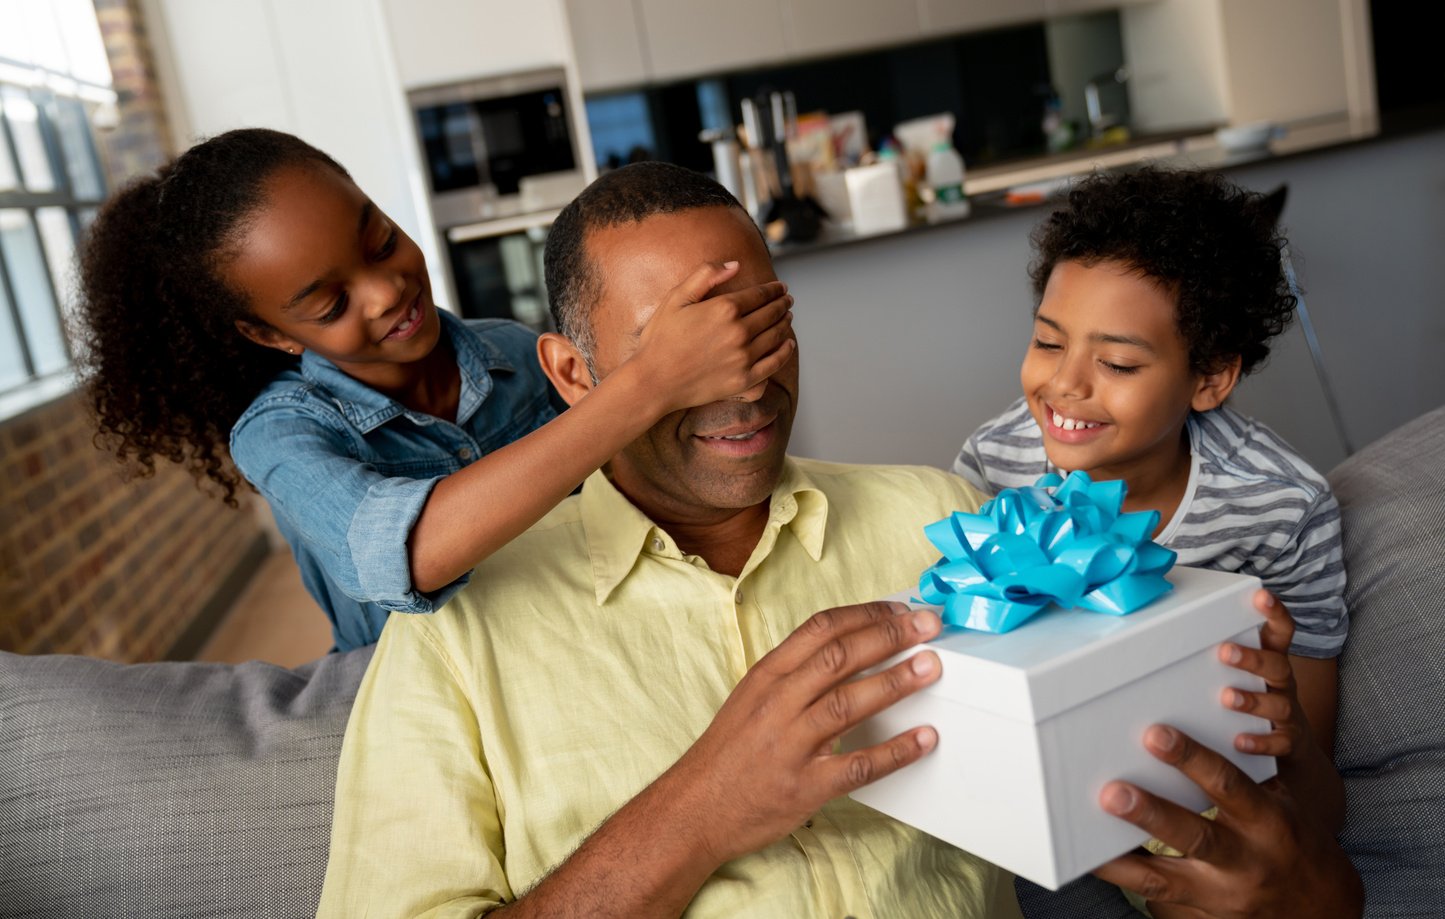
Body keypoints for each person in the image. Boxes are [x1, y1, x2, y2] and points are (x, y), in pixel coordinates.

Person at [319, 162, 1362, 918]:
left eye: (759, 323)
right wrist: (698, 813)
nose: (738, 378)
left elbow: (1161, 822)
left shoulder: (949, 524)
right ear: (573, 375)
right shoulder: (452, 634)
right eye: (674, 352)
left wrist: (1286, 854)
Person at [75, 128, 795, 651]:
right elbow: (405, 553)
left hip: (572, 648)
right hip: (422, 699)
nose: (387, 291)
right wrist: (651, 379)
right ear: (271, 335)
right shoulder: (279, 436)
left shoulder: (517, 355)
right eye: (329, 304)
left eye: (381, 240)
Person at [952, 166, 1348, 839]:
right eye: (1047, 341)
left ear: (1210, 377)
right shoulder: (994, 466)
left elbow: (1303, 742)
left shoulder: (1280, 506)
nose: (1063, 383)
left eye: (1118, 364)